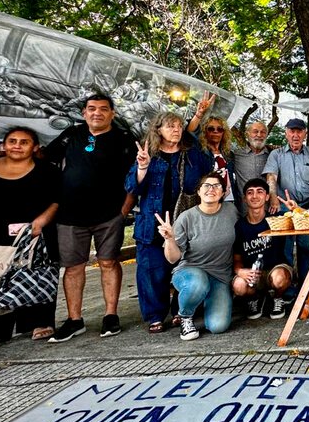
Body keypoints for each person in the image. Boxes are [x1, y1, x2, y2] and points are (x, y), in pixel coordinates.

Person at [43, 93, 137, 343]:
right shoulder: (71, 135)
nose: (97, 113)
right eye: (92, 109)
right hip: (70, 214)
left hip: (109, 214)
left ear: (112, 114)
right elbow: (45, 160)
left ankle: (110, 315)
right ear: (84, 113)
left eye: (103, 109)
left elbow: (136, 174)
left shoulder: (123, 139)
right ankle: (75, 319)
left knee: (108, 262)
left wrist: (124, 210)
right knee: (73, 267)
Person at [0, 127, 60, 353]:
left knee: (37, 273)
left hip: (35, 231)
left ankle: (39, 322)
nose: (17, 145)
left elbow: (57, 199)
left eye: (24, 142)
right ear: (3, 145)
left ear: (35, 147)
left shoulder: (47, 170)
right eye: (12, 141)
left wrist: (41, 221)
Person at [125, 112, 213, 333]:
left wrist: (192, 133)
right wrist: (142, 167)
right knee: (152, 269)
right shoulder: (148, 155)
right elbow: (132, 188)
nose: (176, 130)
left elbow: (209, 169)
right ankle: (155, 315)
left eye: (179, 126)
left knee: (184, 266)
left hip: (185, 220)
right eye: (170, 126)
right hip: (151, 221)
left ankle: (180, 310)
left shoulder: (192, 154)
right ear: (158, 130)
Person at [157, 172, 238, 340]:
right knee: (198, 283)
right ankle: (185, 317)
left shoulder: (231, 211)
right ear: (199, 192)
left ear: (223, 192)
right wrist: (170, 239)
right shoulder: (186, 217)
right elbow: (172, 259)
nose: (211, 189)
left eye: (217, 186)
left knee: (218, 326)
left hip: (220, 276)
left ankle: (204, 302)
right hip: (190, 272)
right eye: (206, 186)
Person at [263, 118, 309, 294]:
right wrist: (274, 198)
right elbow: (271, 177)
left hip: (306, 208)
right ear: (286, 133)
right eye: (292, 131)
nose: (295, 135)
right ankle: (288, 291)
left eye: (299, 131)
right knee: (285, 250)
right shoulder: (276, 155)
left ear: (305, 133)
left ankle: (306, 289)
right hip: (284, 209)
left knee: (307, 248)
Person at [235, 179, 295, 320]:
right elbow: (237, 258)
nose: (255, 196)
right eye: (250, 193)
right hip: (254, 273)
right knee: (239, 285)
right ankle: (255, 299)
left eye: (260, 192)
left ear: (267, 197)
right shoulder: (240, 226)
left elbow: (304, 222)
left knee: (279, 278)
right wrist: (240, 271)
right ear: (244, 198)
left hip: (276, 270)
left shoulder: (277, 219)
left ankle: (278, 298)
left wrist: (294, 210)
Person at [230, 121, 273, 216]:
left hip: (269, 210)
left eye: (263, 132)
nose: (259, 135)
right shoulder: (236, 155)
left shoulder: (273, 155)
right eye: (255, 131)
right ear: (247, 134)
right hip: (244, 210)